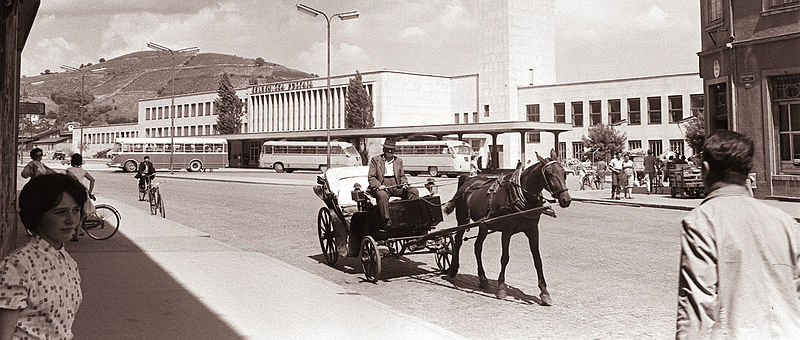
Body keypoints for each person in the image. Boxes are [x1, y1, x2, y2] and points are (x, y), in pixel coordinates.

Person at [676, 130, 800, 338]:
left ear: (704, 170)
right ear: (747, 173)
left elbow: (698, 304)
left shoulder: (702, 221)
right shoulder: (785, 221)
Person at [0, 173, 85, 339]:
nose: (71, 220)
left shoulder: (68, 261)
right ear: (37, 215)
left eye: (75, 210)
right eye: (61, 212)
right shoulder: (17, 266)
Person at [368, 138, 418, 228]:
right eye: (387, 149)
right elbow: (371, 177)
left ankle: (411, 217)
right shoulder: (375, 160)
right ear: (384, 150)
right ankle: (386, 221)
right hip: (383, 186)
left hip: (396, 186)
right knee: (382, 195)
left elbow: (402, 176)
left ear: (394, 150)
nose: (390, 151)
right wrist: (379, 186)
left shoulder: (398, 161)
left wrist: (405, 183)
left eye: (392, 149)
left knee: (414, 191)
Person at [65, 153, 97, 241]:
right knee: (81, 214)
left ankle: (77, 235)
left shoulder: (69, 170)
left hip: (74, 194)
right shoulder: (83, 171)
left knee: (75, 213)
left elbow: (67, 183)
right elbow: (92, 180)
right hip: (83, 193)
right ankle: (79, 232)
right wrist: (90, 192)